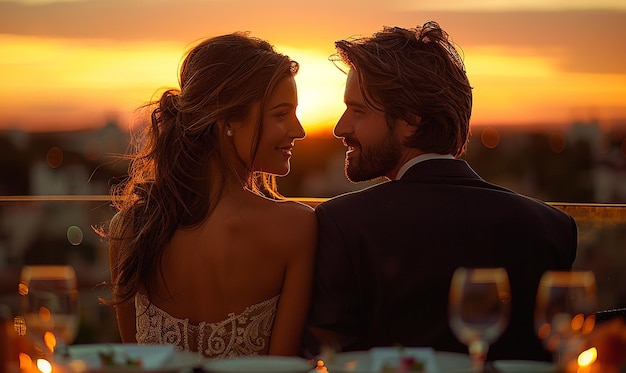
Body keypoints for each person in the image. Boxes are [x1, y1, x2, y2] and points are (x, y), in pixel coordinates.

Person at [305, 21, 577, 362]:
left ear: (411, 119)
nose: (340, 128)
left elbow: (328, 357)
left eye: (358, 110)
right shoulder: (551, 226)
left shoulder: (344, 223)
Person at [105, 32, 317, 358]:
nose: (299, 130)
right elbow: (281, 367)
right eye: (281, 114)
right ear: (227, 120)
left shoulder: (129, 228)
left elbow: (136, 361)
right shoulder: (297, 228)